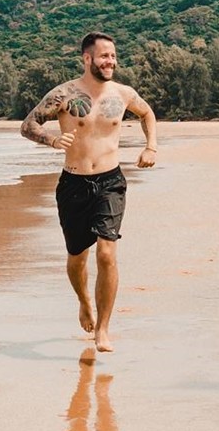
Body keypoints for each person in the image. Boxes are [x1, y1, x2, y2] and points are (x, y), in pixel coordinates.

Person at [20, 33, 157, 352]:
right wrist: (52, 140)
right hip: (74, 185)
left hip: (110, 181)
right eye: (104, 56)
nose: (110, 61)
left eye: (113, 56)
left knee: (107, 253)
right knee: (77, 257)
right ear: (87, 58)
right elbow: (28, 125)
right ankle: (84, 303)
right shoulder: (64, 94)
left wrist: (151, 146)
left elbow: (147, 113)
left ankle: (103, 330)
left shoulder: (123, 94)